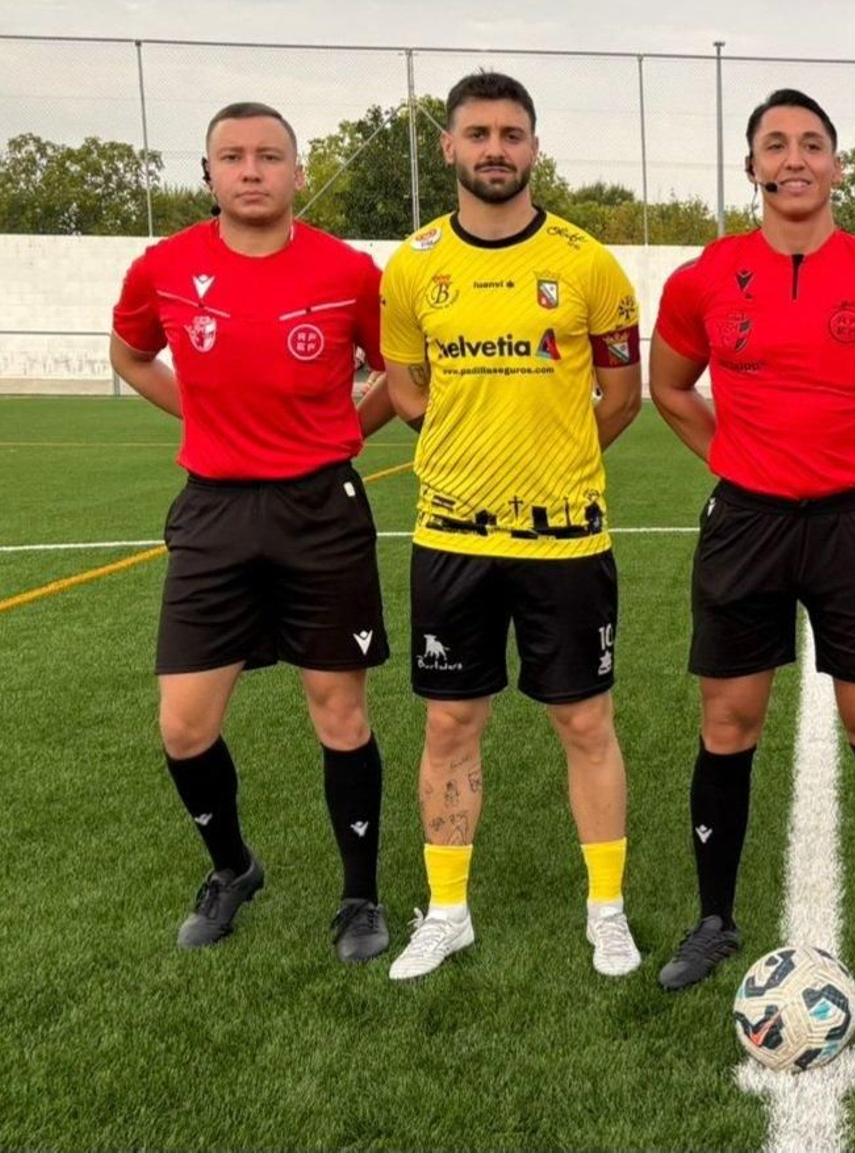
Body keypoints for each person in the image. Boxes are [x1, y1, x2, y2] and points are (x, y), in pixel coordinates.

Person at [649, 88, 855, 991]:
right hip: (746, 524)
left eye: (812, 144)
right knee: (728, 721)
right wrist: (735, 460)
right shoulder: (704, 278)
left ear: (837, 166)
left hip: (852, 527)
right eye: (776, 145)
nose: (795, 159)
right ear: (751, 166)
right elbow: (670, 386)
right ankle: (713, 920)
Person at [109, 101, 394, 962]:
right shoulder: (163, 267)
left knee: (339, 710)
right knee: (184, 726)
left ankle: (360, 896)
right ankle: (233, 868)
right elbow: (130, 355)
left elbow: (399, 374)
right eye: (232, 156)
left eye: (270, 155)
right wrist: (199, 415)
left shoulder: (351, 272)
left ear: (298, 173)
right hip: (214, 512)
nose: (251, 170)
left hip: (321, 511)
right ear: (208, 174)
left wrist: (344, 431)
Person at [380, 71, 644, 982]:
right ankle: (447, 912)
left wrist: (553, 457)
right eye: (479, 134)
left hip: (565, 538)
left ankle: (607, 911)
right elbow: (404, 387)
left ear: (534, 147)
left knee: (585, 720)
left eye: (512, 134)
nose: (495, 149)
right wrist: (468, 446)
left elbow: (621, 395)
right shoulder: (413, 265)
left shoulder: (588, 264)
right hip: (452, 537)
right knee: (450, 721)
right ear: (449, 146)